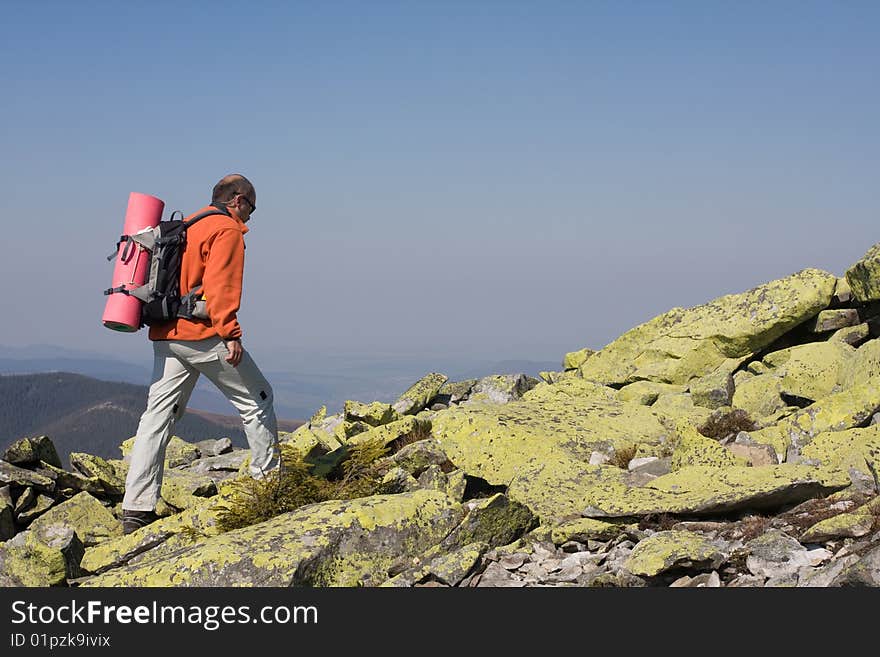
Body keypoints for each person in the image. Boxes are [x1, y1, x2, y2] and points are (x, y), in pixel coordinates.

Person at [121, 173, 280, 535]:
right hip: (203, 335)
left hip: (166, 334)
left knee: (156, 419)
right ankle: (267, 490)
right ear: (237, 200)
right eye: (251, 208)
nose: (251, 217)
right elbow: (222, 286)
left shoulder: (187, 225)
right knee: (258, 400)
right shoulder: (226, 230)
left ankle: (136, 509)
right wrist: (231, 334)